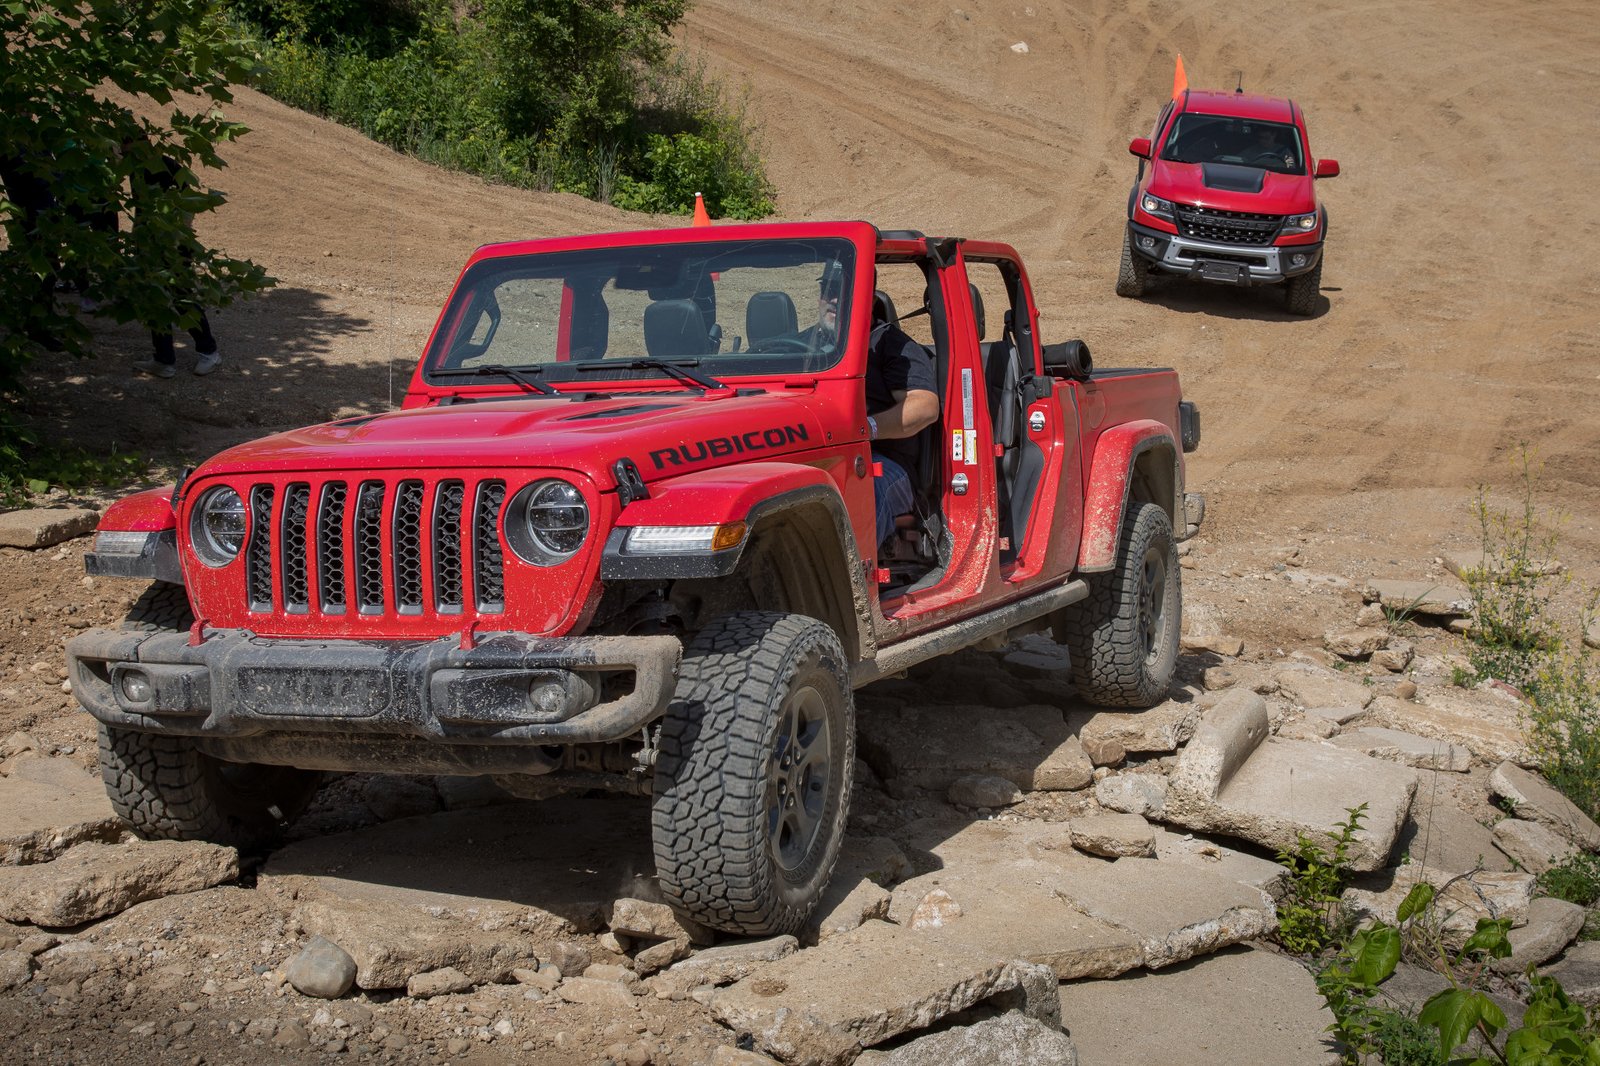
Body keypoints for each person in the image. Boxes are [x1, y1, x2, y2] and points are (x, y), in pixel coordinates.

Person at [806, 264, 939, 548]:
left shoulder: (893, 345)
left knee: (862, 492)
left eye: (843, 291)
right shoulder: (800, 346)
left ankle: (853, 589)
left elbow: (925, 405)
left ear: (868, 296)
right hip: (818, 460)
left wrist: (866, 428)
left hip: (884, 462)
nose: (833, 299)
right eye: (827, 290)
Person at [128, 151, 221, 379]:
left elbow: (188, 201)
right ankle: (163, 360)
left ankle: (209, 352)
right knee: (154, 299)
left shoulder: (165, 165)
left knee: (181, 297)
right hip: (149, 244)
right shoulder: (134, 168)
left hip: (173, 244)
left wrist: (176, 239)